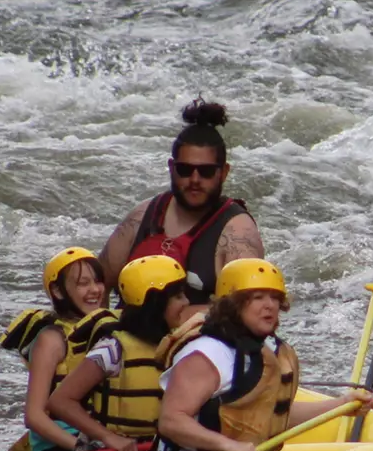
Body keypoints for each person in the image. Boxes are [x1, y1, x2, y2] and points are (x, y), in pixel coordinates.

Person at [140, 258, 372, 451]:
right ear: (233, 304)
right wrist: (229, 446)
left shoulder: (263, 350)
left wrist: (343, 404)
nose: (269, 306)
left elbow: (273, 413)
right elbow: (172, 421)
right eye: (258, 297)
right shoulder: (206, 353)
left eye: (274, 298)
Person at [45, 255, 201, 451]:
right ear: (155, 302)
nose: (186, 302)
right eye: (178, 296)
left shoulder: (180, 345)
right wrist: (109, 438)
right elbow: (60, 401)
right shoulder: (112, 348)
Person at [99, 97, 263, 305]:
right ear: (171, 167)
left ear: (224, 173)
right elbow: (97, 287)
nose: (194, 180)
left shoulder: (237, 233)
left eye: (206, 171)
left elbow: (245, 314)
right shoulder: (142, 217)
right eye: (185, 170)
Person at [0, 247, 113, 451]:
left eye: (98, 281)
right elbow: (34, 416)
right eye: (83, 284)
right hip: (61, 448)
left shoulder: (108, 329)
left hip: (100, 440)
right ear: (58, 292)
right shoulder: (51, 340)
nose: (95, 290)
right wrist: (79, 447)